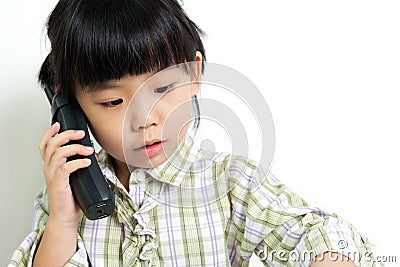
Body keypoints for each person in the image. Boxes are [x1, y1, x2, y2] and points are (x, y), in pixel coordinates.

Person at [9, 0, 378, 266]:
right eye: (111, 102)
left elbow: (317, 233)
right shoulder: (66, 202)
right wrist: (62, 220)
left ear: (193, 75)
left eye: (162, 89)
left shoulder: (231, 183)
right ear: (71, 109)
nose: (145, 120)